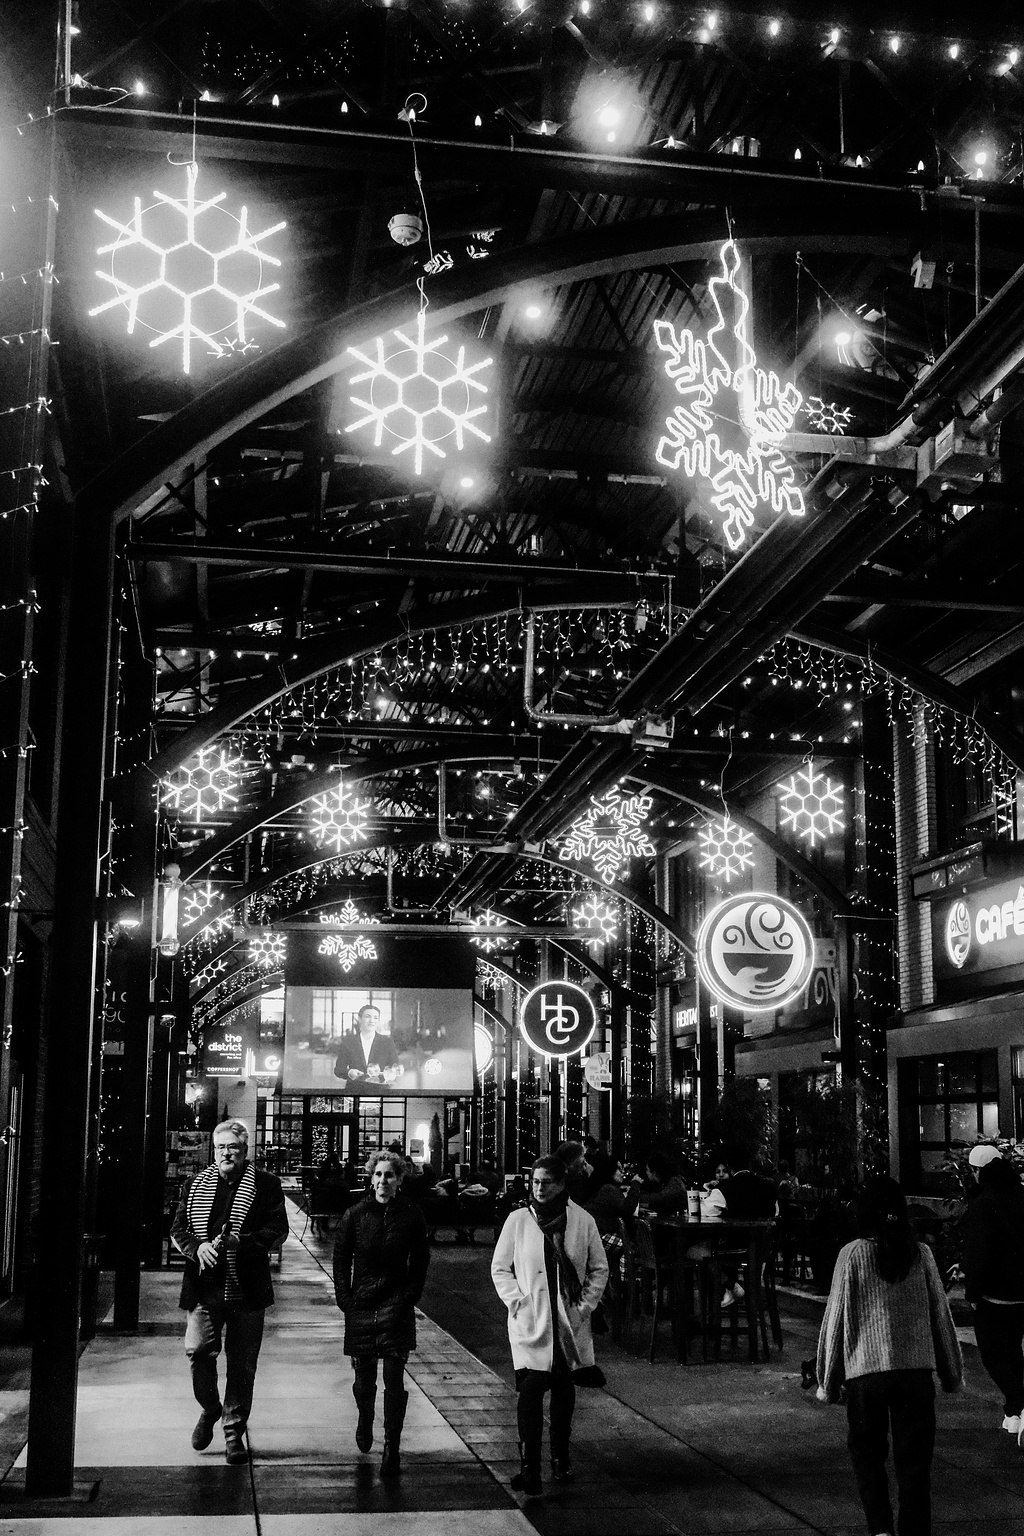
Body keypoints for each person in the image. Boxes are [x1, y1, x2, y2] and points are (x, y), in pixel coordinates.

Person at [816, 1178, 962, 1536]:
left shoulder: (851, 1255)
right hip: (915, 1375)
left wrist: (827, 1381)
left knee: (868, 1456)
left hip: (867, 1375)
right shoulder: (922, 1254)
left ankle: (881, 1530)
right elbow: (940, 1316)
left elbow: (835, 1320)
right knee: (915, 1468)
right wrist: (951, 1372)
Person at [170, 1119, 288, 1465]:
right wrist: (198, 1248)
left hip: (247, 1290)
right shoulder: (195, 1183)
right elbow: (178, 1228)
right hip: (204, 1290)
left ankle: (234, 1433)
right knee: (197, 1351)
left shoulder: (266, 1184)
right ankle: (210, 1408)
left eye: (232, 1147)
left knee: (242, 1366)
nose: (225, 1153)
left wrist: (245, 1243)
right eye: (220, 1147)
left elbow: (277, 1228)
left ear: (244, 1150)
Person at [491, 1154, 609, 1496]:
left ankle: (560, 1456)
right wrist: (518, 1302)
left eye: (546, 1182)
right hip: (532, 1319)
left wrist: (585, 1305)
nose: (539, 1188)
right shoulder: (518, 1220)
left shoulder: (581, 1221)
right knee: (530, 1389)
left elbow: (599, 1267)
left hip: (568, 1321)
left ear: (561, 1185)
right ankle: (530, 1468)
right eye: (535, 1181)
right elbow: (500, 1267)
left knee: (563, 1386)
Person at [332, 1148, 430, 1477]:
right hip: (361, 1303)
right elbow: (341, 1258)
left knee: (394, 1378)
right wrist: (344, 1298)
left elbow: (420, 1259)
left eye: (389, 1175)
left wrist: (410, 1296)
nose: (383, 1181)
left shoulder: (411, 1215)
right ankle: (364, 1417)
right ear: (370, 1178)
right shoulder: (355, 1215)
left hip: (396, 1303)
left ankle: (392, 1445)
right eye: (378, 1174)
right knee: (363, 1377)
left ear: (399, 1180)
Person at [960, 1147, 1024, 1440]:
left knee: (995, 1355)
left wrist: (972, 1291)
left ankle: (1018, 1404)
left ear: (977, 1171)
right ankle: (1014, 1412)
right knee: (1014, 1353)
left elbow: (980, 1254)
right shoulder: (1021, 1195)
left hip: (995, 1297)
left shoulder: (983, 1205)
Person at [333, 1004, 403, 1089]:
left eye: (375, 1018)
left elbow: (394, 1066)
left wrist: (389, 1073)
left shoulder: (387, 1042)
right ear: (359, 1019)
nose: (372, 1020)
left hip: (380, 1090)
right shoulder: (348, 1042)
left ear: (379, 1021)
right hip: (354, 1089)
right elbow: (338, 1069)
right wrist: (349, 1072)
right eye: (367, 1016)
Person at [584, 1152, 640, 1237]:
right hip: (600, 1236)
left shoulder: (599, 1187)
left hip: (593, 1234)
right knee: (638, 1245)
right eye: (618, 1168)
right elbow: (628, 1208)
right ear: (609, 1169)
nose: (622, 1172)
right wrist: (635, 1184)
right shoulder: (607, 1189)